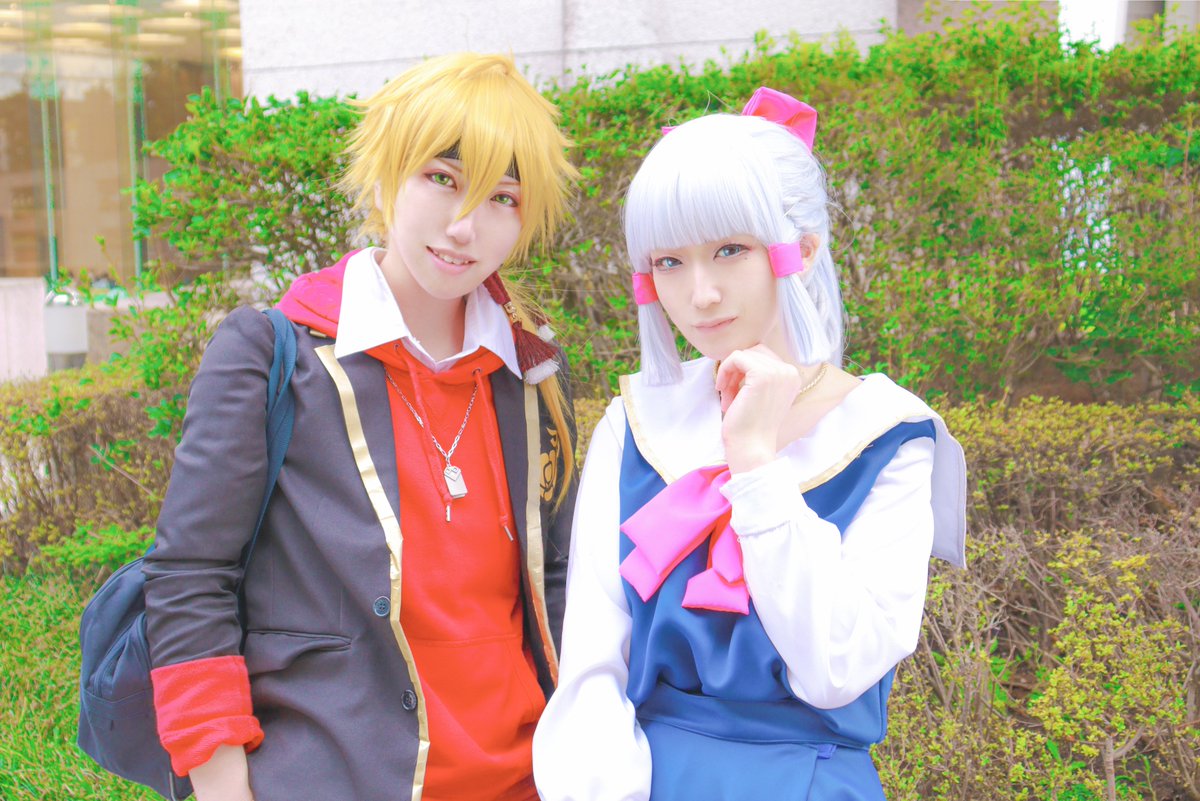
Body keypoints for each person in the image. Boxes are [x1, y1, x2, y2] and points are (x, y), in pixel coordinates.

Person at [143, 53, 578, 801]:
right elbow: (190, 575)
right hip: (330, 777)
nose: (464, 226)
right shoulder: (271, 354)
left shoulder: (531, 371)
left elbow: (559, 582)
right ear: (386, 176)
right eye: (441, 178)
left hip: (528, 779)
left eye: (502, 198)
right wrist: (221, 784)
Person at [532, 87, 967, 801]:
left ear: (804, 249)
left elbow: (836, 666)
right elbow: (592, 668)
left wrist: (758, 464)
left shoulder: (889, 434)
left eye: (729, 250)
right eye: (669, 262)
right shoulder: (635, 422)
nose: (699, 293)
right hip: (644, 781)